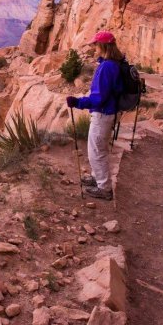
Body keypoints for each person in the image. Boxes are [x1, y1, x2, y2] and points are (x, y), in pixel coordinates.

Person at [66, 30, 124, 200]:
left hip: (103, 114)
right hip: (109, 112)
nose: (93, 48)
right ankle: (97, 177)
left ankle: (104, 188)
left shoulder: (107, 67)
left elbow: (98, 98)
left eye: (95, 45)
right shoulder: (114, 63)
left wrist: (78, 102)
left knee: (96, 151)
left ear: (102, 46)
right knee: (100, 148)